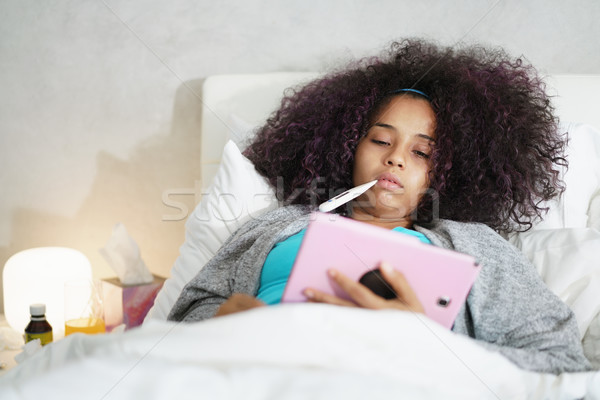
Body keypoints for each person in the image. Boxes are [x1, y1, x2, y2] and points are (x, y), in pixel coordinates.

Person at [168, 39, 592, 373]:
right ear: (348, 146)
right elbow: (181, 319)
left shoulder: (477, 247)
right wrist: (221, 320)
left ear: (443, 174)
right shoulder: (274, 226)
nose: (397, 158)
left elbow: (559, 361)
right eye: (381, 140)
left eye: (422, 153)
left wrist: (429, 344)